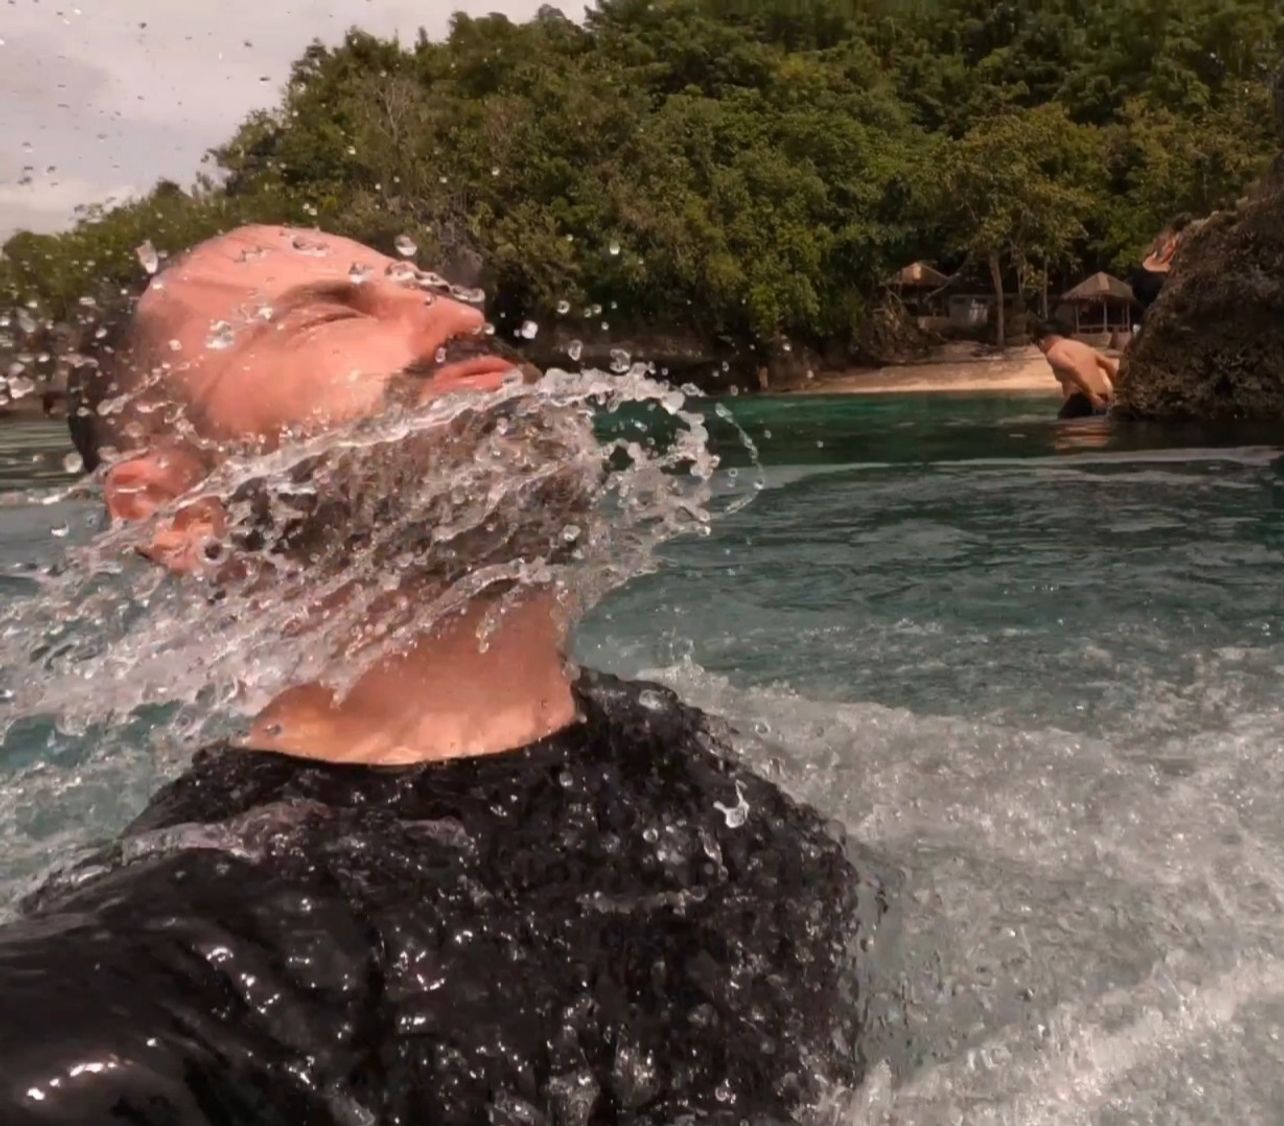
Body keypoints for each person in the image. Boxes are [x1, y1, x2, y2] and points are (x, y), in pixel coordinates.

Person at [0, 225, 860, 1123]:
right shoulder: (162, 973)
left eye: (437, 290)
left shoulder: (708, 777)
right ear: (176, 512)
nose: (461, 316)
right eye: (330, 312)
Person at [1035, 323, 1120, 420]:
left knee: (1065, 428)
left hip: (1084, 398)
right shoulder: (1081, 346)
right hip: (1103, 397)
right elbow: (1109, 364)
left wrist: (1092, 396)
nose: (1042, 351)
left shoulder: (1053, 352)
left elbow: (1072, 368)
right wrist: (1118, 393)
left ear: (1041, 342)